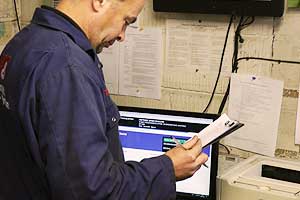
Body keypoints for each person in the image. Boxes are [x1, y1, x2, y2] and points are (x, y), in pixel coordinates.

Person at [0, 0, 208, 199]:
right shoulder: (67, 66)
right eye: (126, 21)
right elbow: (93, 191)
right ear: (100, 1)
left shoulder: (23, 42)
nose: (122, 35)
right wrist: (168, 168)